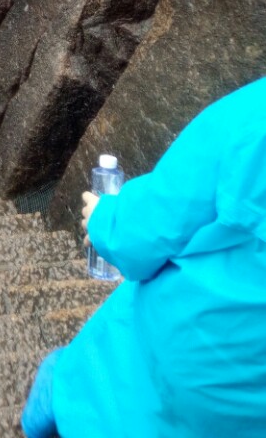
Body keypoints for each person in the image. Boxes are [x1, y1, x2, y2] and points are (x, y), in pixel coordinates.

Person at [21, 76, 266, 438]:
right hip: (251, 406)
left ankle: (53, 405)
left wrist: (105, 219)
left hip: (188, 348)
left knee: (105, 377)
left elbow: (150, 229)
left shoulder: (251, 116)